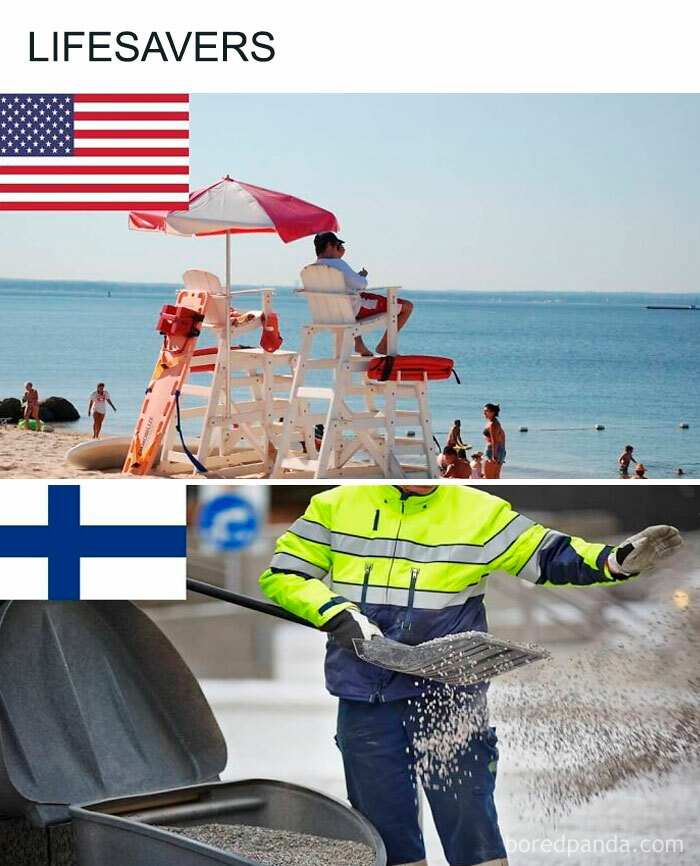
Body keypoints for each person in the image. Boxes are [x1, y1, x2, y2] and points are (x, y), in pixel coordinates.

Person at [259, 485, 683, 866]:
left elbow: (552, 556)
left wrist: (614, 561)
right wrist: (337, 614)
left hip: (450, 694)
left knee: (470, 825)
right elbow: (284, 575)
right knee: (385, 834)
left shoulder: (478, 510)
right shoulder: (335, 505)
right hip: (365, 693)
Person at [313, 231, 413, 356]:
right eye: (337, 244)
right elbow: (360, 285)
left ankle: (359, 345)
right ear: (329, 246)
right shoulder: (338, 264)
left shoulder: (312, 269)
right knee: (407, 306)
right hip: (352, 310)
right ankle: (384, 346)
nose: (341, 248)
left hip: (329, 313)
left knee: (348, 307)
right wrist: (362, 277)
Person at [482, 403, 506, 479]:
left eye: (486, 411)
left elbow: (494, 440)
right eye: (484, 411)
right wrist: (503, 449)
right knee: (496, 477)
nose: (484, 413)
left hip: (491, 450)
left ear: (493, 412)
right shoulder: (496, 422)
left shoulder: (492, 424)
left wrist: (494, 456)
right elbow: (502, 435)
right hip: (499, 449)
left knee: (488, 478)